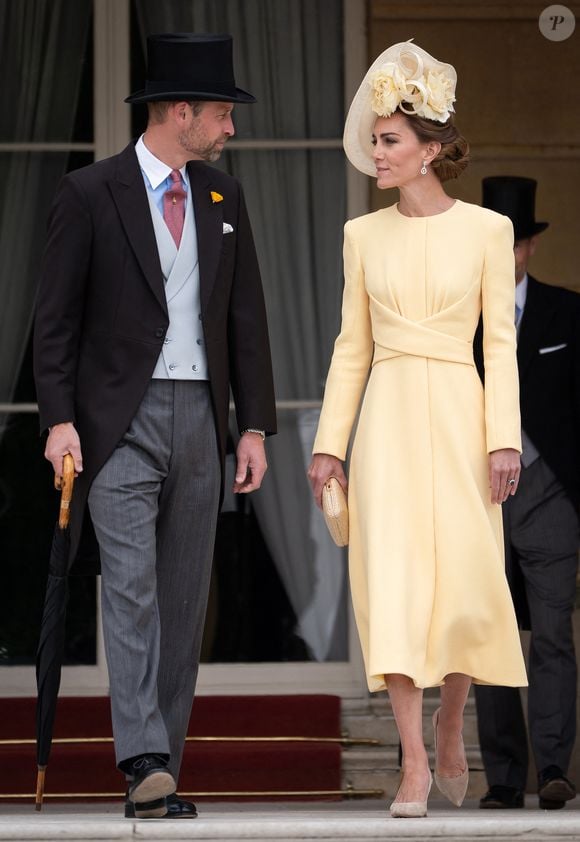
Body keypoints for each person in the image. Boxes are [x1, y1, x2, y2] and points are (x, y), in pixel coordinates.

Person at [33, 33, 276, 819]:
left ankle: (161, 762)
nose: (230, 128)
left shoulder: (222, 197)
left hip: (201, 418)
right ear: (181, 113)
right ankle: (141, 759)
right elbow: (55, 322)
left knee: (181, 597)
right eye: (221, 114)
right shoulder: (88, 192)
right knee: (131, 591)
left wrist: (253, 429)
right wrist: (60, 420)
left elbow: (246, 319)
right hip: (118, 423)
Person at [307, 41, 527, 818]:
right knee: (392, 586)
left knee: (466, 581)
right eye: (374, 139)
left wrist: (505, 437)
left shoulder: (489, 231)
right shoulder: (360, 236)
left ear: (432, 150)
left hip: (463, 416)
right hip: (390, 421)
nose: (376, 152)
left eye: (390, 140)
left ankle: (450, 718)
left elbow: (500, 344)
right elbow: (351, 348)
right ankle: (409, 763)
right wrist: (330, 442)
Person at [474, 176, 580, 811]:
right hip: (479, 495)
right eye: (495, 241)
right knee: (489, 637)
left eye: (515, 242)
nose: (505, 252)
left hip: (550, 495)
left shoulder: (569, 312)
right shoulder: (457, 320)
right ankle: (506, 777)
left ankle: (556, 769)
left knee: (553, 634)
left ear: (530, 247)